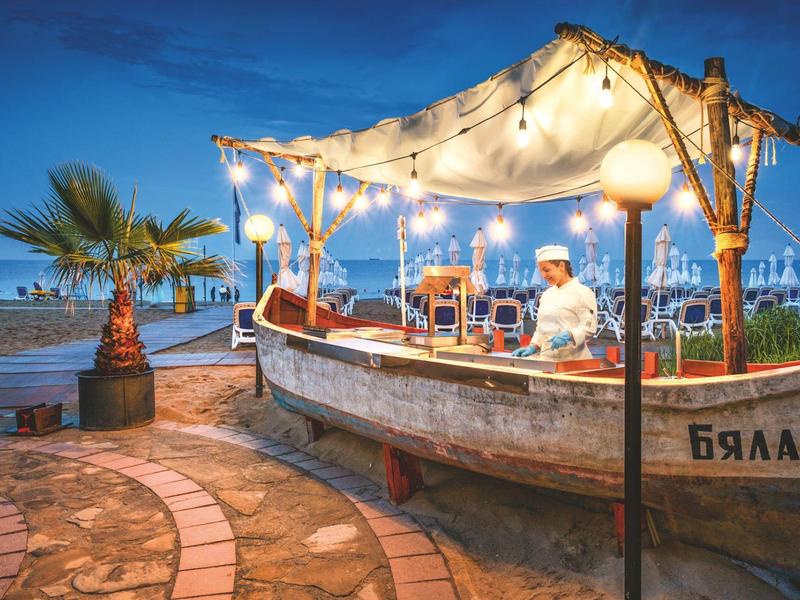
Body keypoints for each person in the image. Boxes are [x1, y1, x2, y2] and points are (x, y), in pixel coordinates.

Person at [512, 244, 597, 360]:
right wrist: (533, 345)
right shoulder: (546, 295)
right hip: (547, 359)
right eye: (541, 271)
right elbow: (541, 327)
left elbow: (589, 327)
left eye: (546, 270)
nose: (543, 276)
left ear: (561, 266)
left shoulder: (583, 292)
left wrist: (570, 335)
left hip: (574, 360)